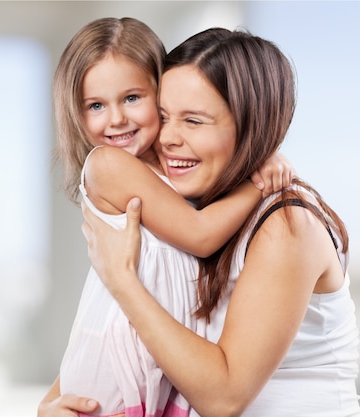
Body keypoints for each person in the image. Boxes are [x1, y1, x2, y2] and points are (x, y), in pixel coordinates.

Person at [79, 27, 360, 417]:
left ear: (251, 126)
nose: (167, 138)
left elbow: (224, 398)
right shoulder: (195, 213)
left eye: (194, 121)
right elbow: (116, 329)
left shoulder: (286, 224)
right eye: (163, 116)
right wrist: (58, 401)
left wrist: (122, 280)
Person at [46, 18, 295, 417]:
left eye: (132, 98)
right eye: (96, 105)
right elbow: (199, 234)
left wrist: (260, 153)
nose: (116, 119)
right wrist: (259, 182)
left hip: (158, 367)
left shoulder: (171, 165)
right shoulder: (108, 165)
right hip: (118, 369)